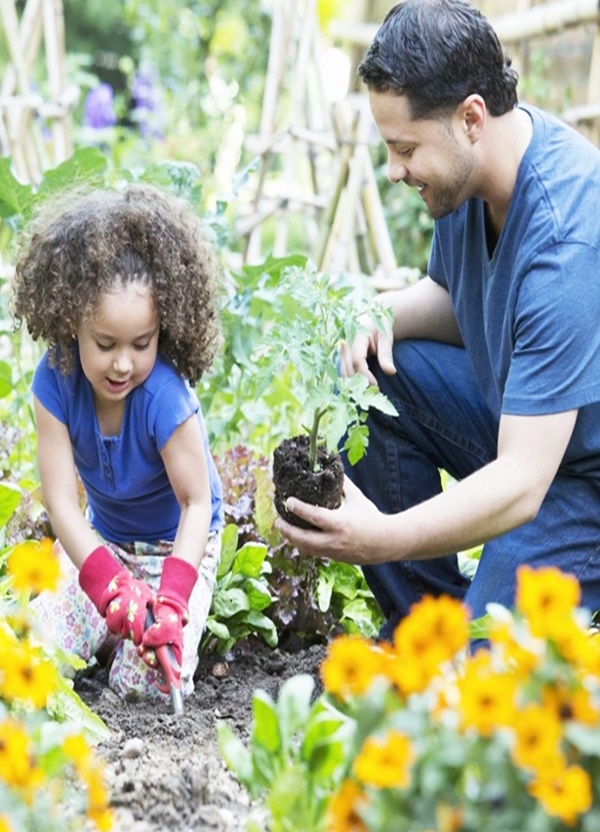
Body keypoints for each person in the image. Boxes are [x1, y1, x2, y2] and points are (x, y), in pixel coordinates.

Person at [275, 0, 600, 640]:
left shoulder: (568, 242)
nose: (395, 171)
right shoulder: (466, 181)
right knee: (372, 372)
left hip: (579, 483)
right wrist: (375, 313)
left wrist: (384, 538)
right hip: (524, 426)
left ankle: (466, 646)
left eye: (404, 149)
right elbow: (463, 300)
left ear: (470, 117)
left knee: (488, 674)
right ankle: (426, 631)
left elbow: (523, 483)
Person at [12, 183, 224, 699]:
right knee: (28, 651)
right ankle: (106, 627)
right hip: (101, 543)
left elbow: (197, 504)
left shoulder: (165, 400)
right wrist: (108, 586)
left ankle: (125, 639)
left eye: (142, 343)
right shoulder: (55, 383)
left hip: (177, 550)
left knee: (144, 689)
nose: (123, 363)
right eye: (105, 344)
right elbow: (62, 503)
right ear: (72, 325)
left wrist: (171, 601)